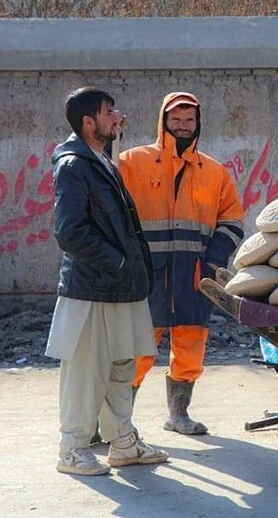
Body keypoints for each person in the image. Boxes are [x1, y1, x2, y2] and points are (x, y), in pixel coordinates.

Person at [46, 86, 168, 475]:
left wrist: (124, 269)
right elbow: (70, 233)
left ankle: (123, 443)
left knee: (120, 366)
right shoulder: (72, 166)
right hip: (93, 287)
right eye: (109, 112)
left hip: (119, 287)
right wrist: (116, 261)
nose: (118, 117)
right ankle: (72, 450)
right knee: (86, 371)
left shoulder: (97, 159)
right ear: (88, 121)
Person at [118, 92, 245, 435]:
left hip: (193, 276)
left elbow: (232, 220)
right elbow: (112, 209)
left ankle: (178, 416)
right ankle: (118, 422)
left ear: (198, 123)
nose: (183, 126)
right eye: (176, 120)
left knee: (191, 346)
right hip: (147, 275)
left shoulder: (214, 172)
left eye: (189, 120)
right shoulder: (131, 162)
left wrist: (213, 260)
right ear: (164, 121)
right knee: (138, 349)